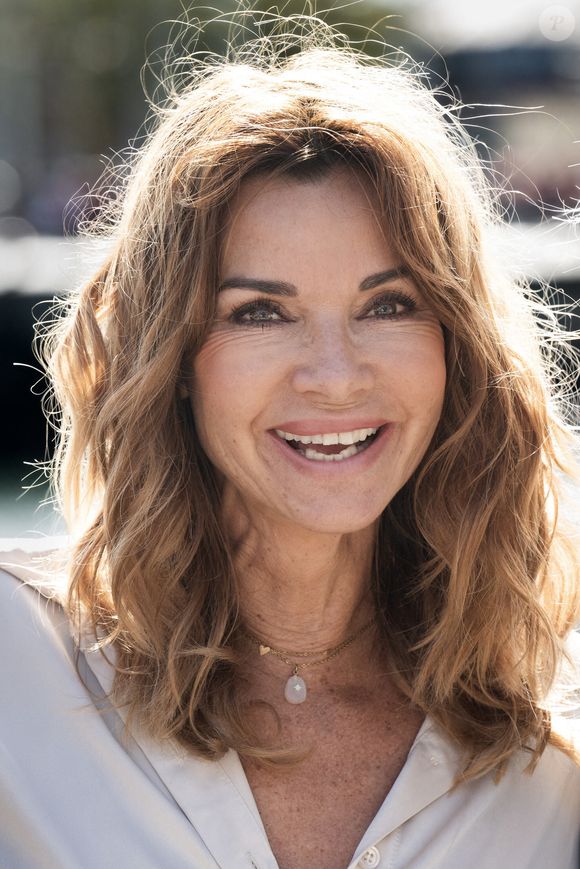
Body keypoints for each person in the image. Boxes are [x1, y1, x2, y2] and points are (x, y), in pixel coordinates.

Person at [1, 15, 579, 869]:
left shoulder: (550, 727)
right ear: (177, 359)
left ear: (457, 344)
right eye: (260, 312)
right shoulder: (18, 665)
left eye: (388, 304)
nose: (335, 374)